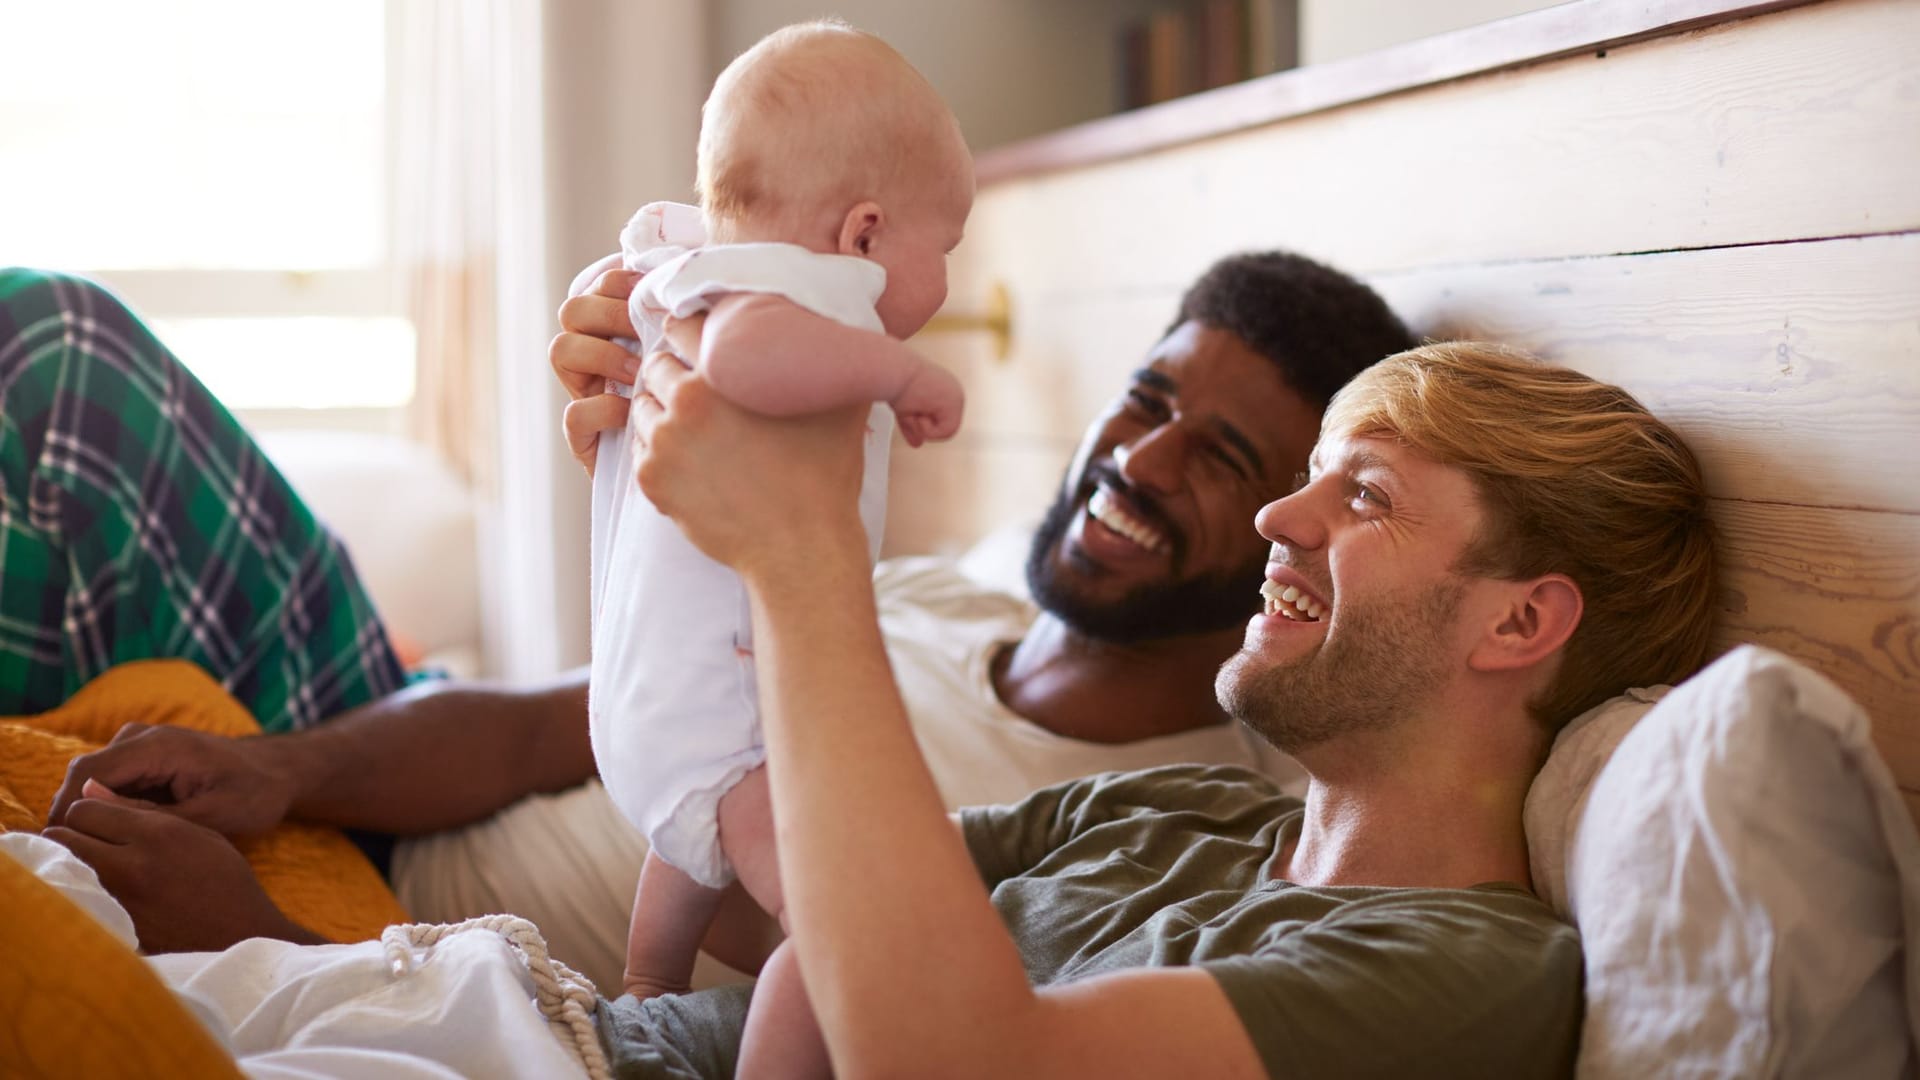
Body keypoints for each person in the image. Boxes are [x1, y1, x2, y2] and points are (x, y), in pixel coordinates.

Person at [35, 243, 1414, 984]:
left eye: (1224, 460)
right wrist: (277, 770)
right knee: (58, 351)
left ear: (1291, 532)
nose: (1141, 460)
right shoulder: (936, 595)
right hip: (354, 801)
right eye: (1149, 400)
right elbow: (550, 726)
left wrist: (280, 953)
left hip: (388, 964)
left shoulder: (1158, 819)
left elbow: (737, 1032)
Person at [585, 335, 1718, 1076]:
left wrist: (804, 560)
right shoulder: (1189, 812)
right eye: (1309, 475)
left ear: (1518, 623)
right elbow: (795, 909)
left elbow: (963, 1061)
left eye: (1363, 495)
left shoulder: (1468, 974)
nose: (1280, 519)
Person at [581, 34, 971, 1065]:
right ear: (866, 235)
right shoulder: (802, 296)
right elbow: (749, 357)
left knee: (702, 838)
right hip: (719, 705)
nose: (949, 283)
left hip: (660, 714)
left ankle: (646, 988)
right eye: (953, 248)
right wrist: (896, 372)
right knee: (836, 921)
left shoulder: (694, 266)